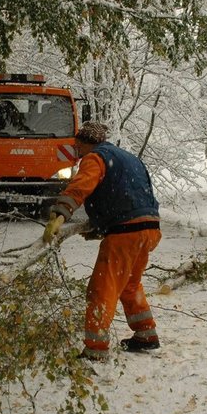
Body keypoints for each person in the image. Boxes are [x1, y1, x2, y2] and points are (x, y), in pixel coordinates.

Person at [42, 122, 162, 360]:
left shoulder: (96, 157)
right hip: (150, 228)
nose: (77, 153)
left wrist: (59, 215)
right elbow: (128, 195)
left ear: (86, 143)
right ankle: (146, 334)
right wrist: (102, 228)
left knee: (102, 288)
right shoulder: (129, 158)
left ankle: (95, 349)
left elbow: (81, 186)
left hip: (126, 233)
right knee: (129, 283)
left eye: (78, 147)